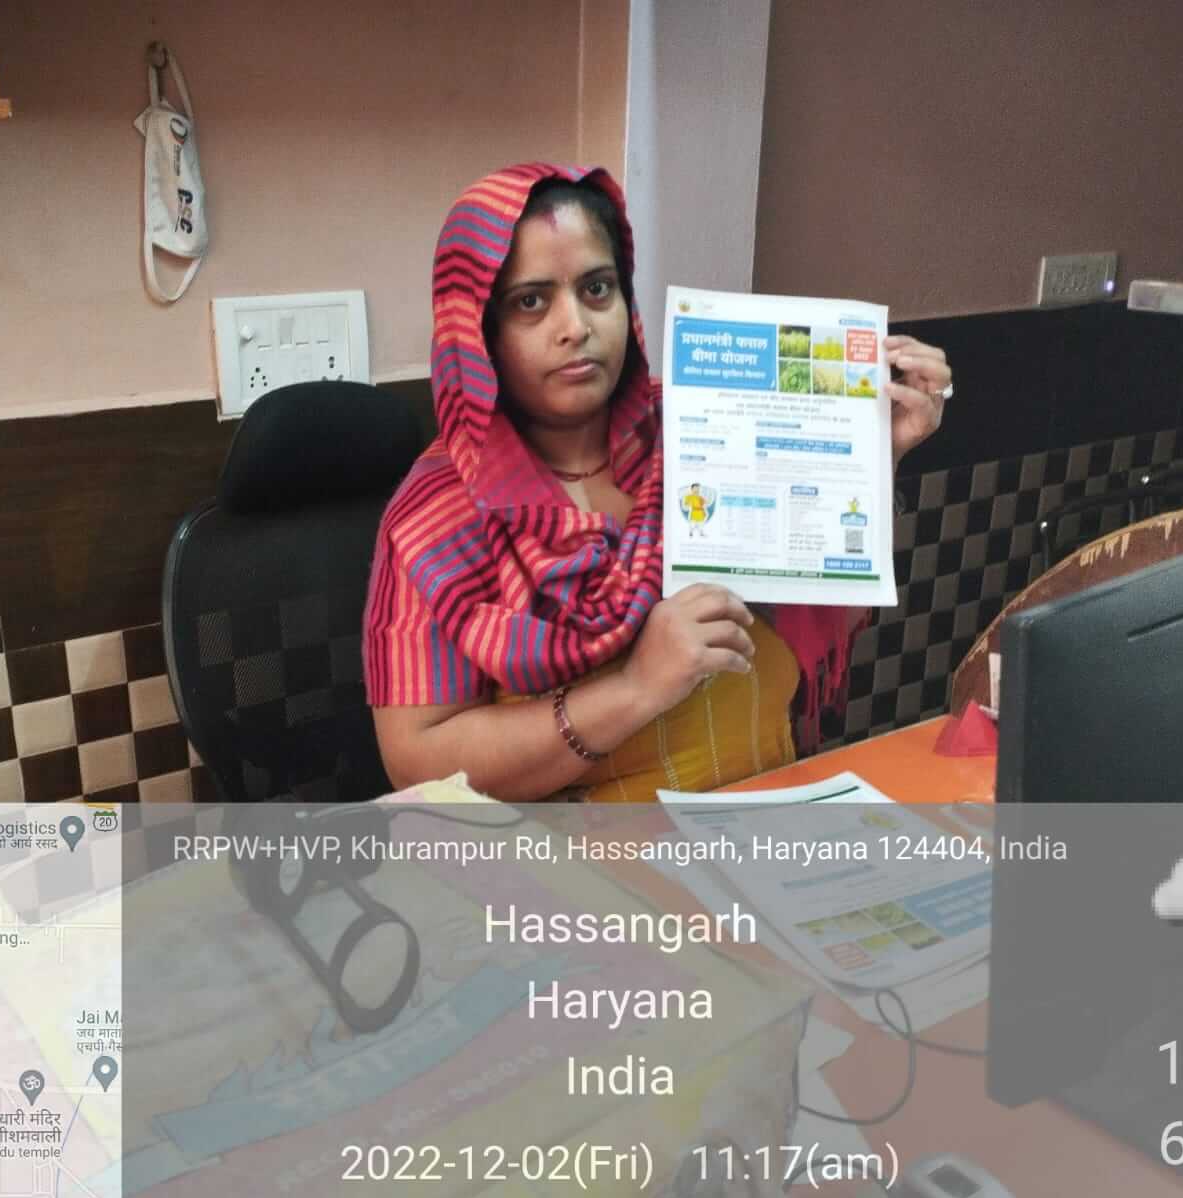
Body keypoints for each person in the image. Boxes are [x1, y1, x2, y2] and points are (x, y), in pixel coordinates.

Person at [364, 163, 951, 801]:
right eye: (531, 301)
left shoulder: (708, 425)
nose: (576, 326)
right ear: (479, 330)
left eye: (597, 289)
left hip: (764, 813)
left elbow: (822, 592)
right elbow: (417, 763)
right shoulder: (439, 517)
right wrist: (635, 688)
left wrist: (872, 457)